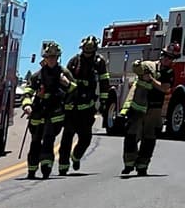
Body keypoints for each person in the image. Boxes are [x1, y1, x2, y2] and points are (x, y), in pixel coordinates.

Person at [120, 42, 180, 175]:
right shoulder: (149, 65)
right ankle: (129, 164)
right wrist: (137, 65)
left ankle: (142, 166)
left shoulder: (169, 73)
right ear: (162, 55)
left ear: (173, 60)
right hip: (138, 107)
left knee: (149, 138)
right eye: (165, 56)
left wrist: (151, 79)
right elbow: (136, 68)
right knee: (131, 135)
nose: (167, 59)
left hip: (154, 110)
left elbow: (165, 88)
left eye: (170, 58)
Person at [19, 41, 75, 179]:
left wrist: (67, 84)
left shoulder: (64, 73)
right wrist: (27, 105)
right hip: (38, 111)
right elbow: (28, 92)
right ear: (44, 58)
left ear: (58, 57)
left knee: (49, 140)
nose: (51, 60)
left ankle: (46, 168)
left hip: (55, 112)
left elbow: (74, 91)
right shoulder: (37, 75)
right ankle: (31, 170)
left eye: (54, 57)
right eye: (49, 57)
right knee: (35, 141)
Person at [57, 35, 110, 174]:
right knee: (67, 137)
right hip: (71, 106)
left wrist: (104, 101)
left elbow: (104, 82)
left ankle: (76, 156)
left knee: (85, 138)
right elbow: (63, 82)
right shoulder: (74, 61)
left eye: (90, 51)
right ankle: (63, 167)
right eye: (85, 51)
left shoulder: (99, 62)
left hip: (87, 107)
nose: (87, 54)